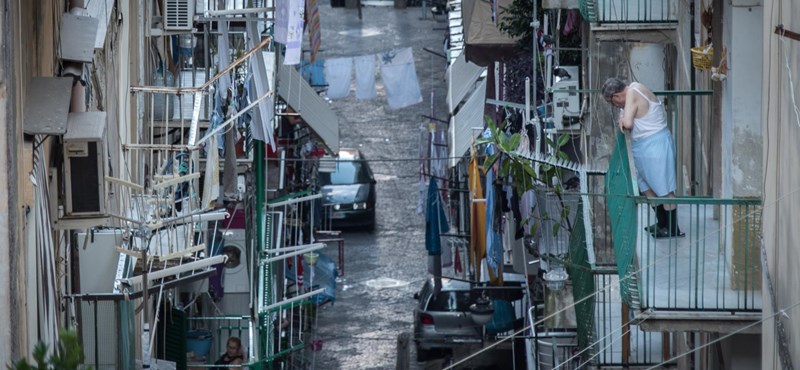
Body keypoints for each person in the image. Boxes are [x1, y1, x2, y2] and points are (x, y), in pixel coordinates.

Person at [602, 77, 684, 238]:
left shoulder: (633, 91)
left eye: (613, 102)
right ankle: (662, 223)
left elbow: (627, 123)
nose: (615, 106)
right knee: (647, 187)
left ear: (617, 95)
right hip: (643, 146)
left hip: (655, 144)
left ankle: (673, 228)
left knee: (664, 189)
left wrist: (623, 119)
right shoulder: (632, 91)